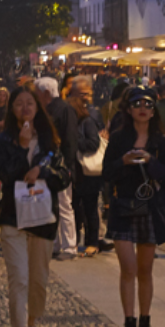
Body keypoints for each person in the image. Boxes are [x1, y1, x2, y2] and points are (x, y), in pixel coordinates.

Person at [0, 85, 71, 327]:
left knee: (38, 279)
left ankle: (32, 325)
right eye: (19, 104)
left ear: (38, 108)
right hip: (13, 216)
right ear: (12, 111)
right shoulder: (3, 141)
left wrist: (43, 170)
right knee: (19, 277)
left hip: (43, 217)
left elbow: (65, 176)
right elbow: (5, 174)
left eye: (30, 104)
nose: (25, 108)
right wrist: (22, 147)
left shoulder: (51, 142)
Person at [102, 86, 165, 327]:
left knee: (145, 270)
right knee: (128, 268)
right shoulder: (120, 139)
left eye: (148, 104)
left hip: (151, 209)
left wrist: (149, 162)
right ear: (129, 109)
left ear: (153, 110)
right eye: (137, 104)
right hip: (124, 207)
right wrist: (124, 161)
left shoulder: (163, 142)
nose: (143, 108)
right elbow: (106, 173)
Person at [34, 77, 79, 260]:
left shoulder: (64, 109)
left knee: (64, 205)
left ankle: (69, 246)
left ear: (45, 93)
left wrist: (67, 166)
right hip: (48, 164)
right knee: (51, 205)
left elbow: (70, 140)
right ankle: (56, 243)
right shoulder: (46, 110)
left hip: (60, 165)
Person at [68, 76, 109, 256]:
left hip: (88, 172)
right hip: (77, 171)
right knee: (75, 207)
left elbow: (93, 143)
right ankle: (75, 241)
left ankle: (92, 242)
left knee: (90, 207)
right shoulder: (79, 121)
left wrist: (74, 143)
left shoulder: (88, 121)